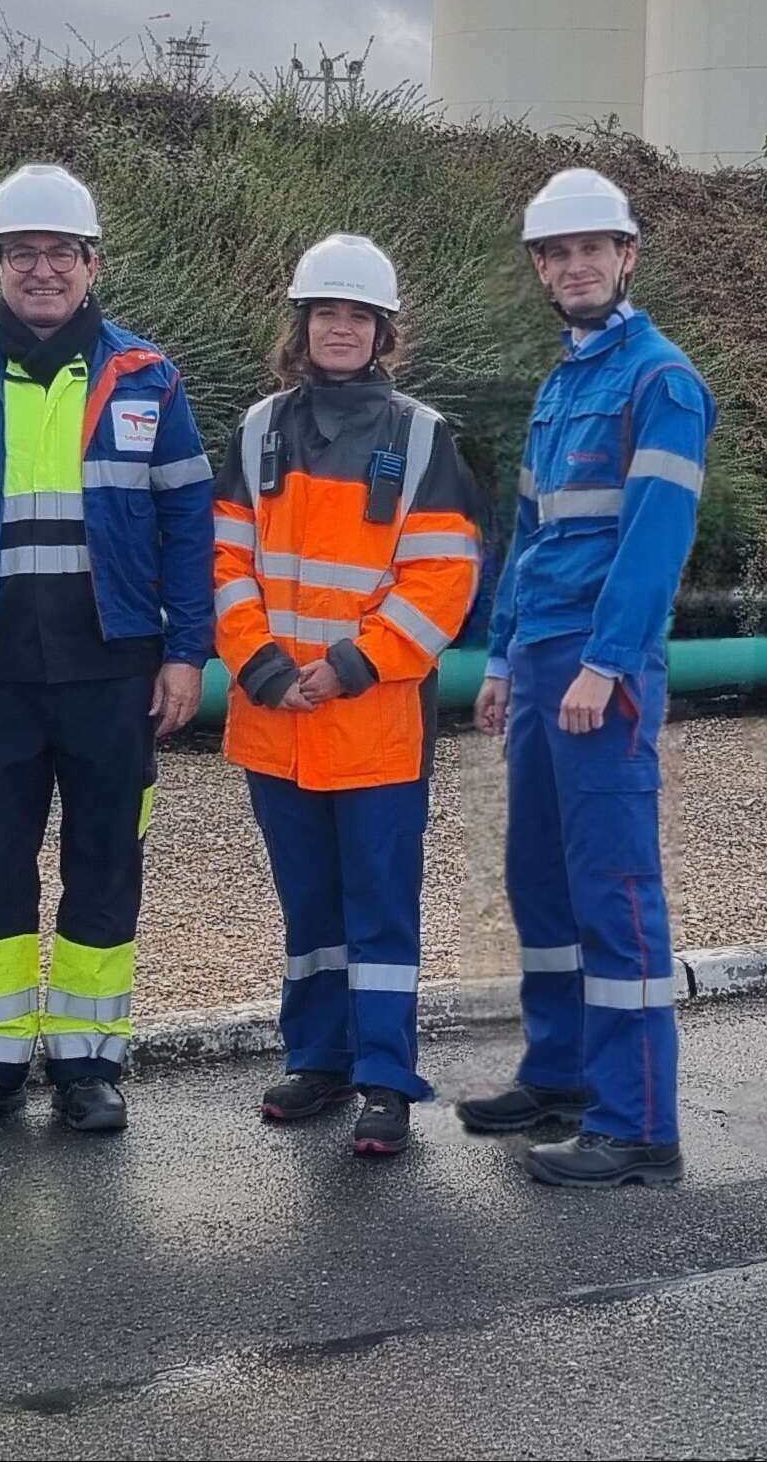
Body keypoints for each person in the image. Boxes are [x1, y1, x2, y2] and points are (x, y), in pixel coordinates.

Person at [0, 163, 214, 1135]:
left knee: (105, 866)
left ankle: (87, 1062)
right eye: (22, 252)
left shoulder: (147, 378)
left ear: (92, 264)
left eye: (61, 252)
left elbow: (190, 523)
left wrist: (188, 650)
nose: (42, 269)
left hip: (114, 668)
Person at [456, 168, 716, 1188]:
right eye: (555, 254)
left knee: (613, 888)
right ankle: (562, 1073)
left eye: (590, 249)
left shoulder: (661, 381)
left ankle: (638, 1123)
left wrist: (606, 662)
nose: (573, 267)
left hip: (603, 661)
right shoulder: (565, 382)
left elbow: (653, 542)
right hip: (542, 657)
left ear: (626, 255)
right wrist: (503, 655)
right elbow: (528, 535)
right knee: (540, 876)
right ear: (539, 269)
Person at [213, 235, 483, 1157]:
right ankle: (318, 1059)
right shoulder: (258, 430)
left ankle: (384, 1081)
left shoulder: (422, 436)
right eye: (325, 312)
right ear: (302, 325)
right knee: (309, 908)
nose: (340, 328)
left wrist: (350, 666)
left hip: (374, 724)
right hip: (277, 718)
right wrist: (262, 667)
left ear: (382, 331)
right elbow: (225, 561)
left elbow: (443, 578)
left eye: (358, 315)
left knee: (379, 910)